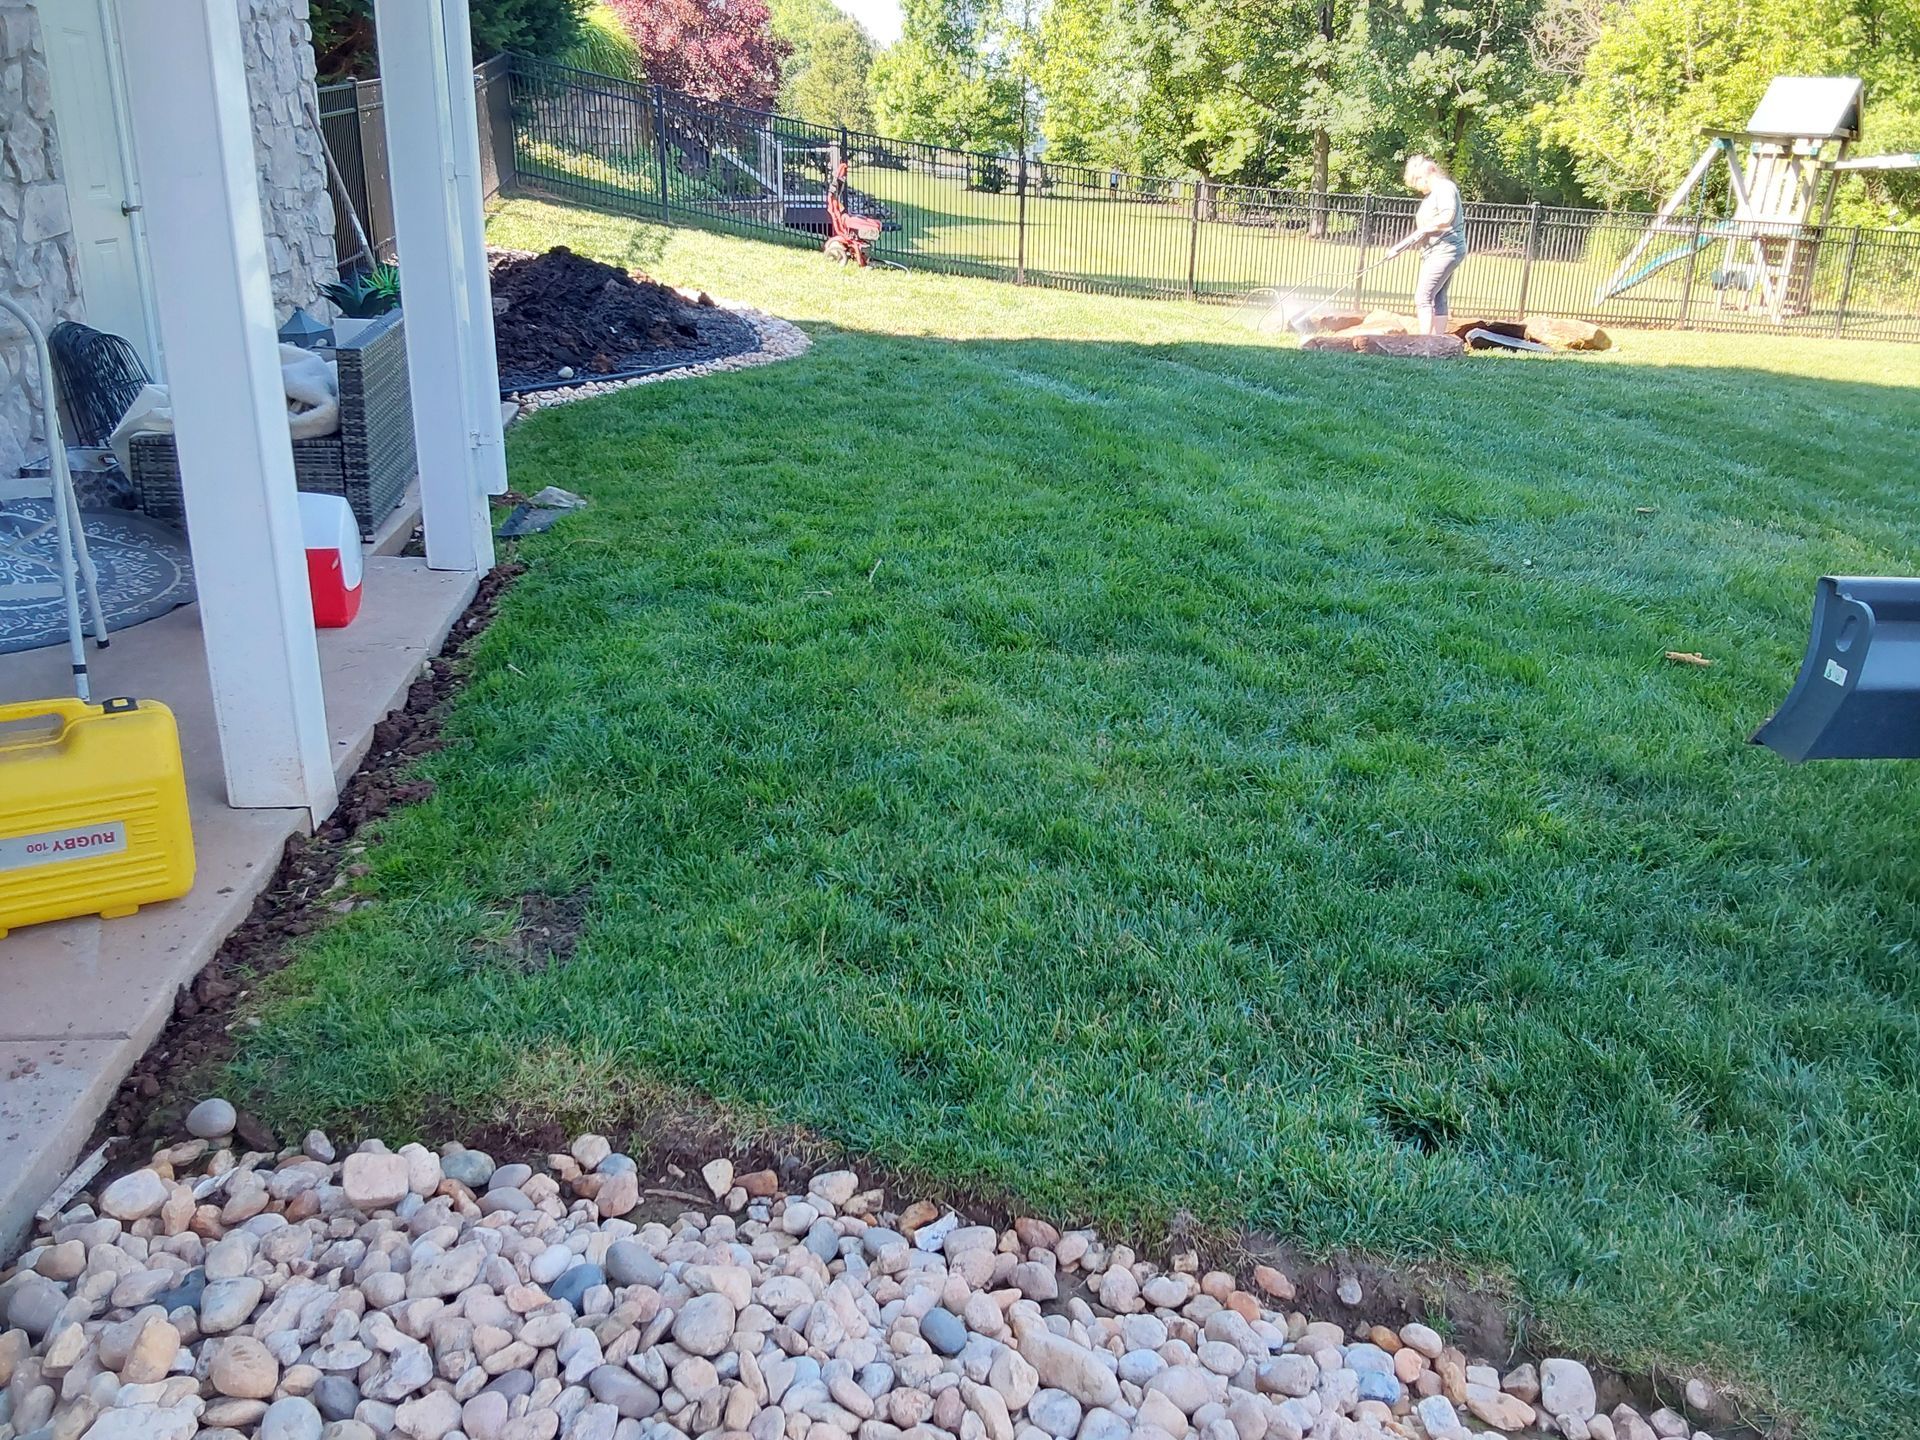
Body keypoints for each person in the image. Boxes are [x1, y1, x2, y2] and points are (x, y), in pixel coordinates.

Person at [1384, 155, 1467, 335]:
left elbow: (1447, 217)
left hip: (1445, 249)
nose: (1417, 188)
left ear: (1426, 175)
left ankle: (1424, 344)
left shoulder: (1445, 188)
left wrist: (1424, 230)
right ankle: (1438, 343)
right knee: (1438, 297)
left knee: (1423, 297)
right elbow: (1422, 230)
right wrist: (1398, 247)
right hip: (1436, 250)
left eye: (1417, 183)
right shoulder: (1433, 195)